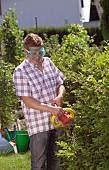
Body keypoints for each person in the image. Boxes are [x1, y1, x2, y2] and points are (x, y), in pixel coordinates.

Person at [13, 33, 66, 170]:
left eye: (40, 52)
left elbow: (60, 83)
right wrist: (51, 109)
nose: (37, 56)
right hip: (38, 126)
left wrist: (59, 96)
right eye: (33, 53)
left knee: (56, 161)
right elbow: (28, 101)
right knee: (38, 164)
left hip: (56, 121)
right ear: (25, 52)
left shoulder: (48, 62)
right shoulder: (20, 71)